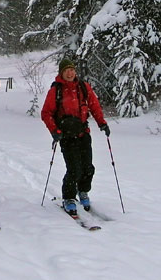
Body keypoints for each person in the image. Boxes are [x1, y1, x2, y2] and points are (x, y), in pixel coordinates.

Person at [41, 57, 110, 215]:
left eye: (72, 70)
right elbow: (46, 113)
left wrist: (102, 123)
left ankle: (83, 191)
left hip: (83, 133)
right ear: (61, 73)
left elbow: (94, 106)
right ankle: (69, 197)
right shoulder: (56, 90)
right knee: (74, 169)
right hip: (66, 136)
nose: (70, 73)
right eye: (67, 70)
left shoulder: (83, 87)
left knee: (88, 168)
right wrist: (54, 131)